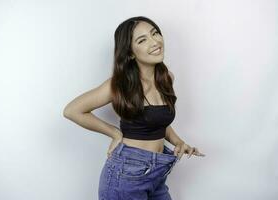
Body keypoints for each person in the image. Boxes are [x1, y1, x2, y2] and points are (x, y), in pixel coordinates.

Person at [63, 16, 205, 200]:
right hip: (126, 174)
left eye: (155, 33)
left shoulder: (166, 77)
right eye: (142, 40)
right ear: (130, 53)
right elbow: (72, 110)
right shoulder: (119, 84)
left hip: (158, 174)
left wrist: (179, 142)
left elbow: (157, 121)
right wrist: (114, 133)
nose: (155, 42)